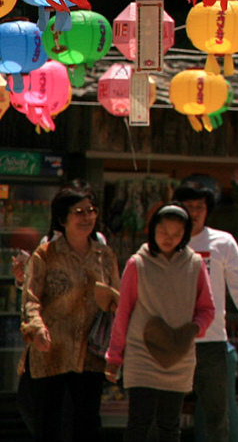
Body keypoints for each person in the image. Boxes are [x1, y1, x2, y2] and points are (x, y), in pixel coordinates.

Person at [19, 182, 120, 442]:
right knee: (48, 423)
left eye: (91, 210)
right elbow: (30, 298)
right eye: (79, 211)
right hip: (51, 348)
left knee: (87, 425)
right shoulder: (45, 254)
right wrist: (37, 328)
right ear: (63, 218)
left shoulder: (105, 255)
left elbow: (118, 299)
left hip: (91, 351)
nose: (87, 217)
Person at [107, 205, 216, 442]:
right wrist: (114, 357)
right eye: (164, 231)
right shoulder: (137, 264)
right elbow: (123, 312)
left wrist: (192, 329)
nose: (170, 238)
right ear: (153, 229)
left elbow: (207, 309)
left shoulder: (195, 264)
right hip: (141, 353)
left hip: (179, 356)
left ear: (185, 235)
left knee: (169, 426)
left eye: (177, 233)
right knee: (139, 423)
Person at [173, 180, 238, 442]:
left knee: (217, 416)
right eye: (188, 207)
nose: (194, 212)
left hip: (212, 342)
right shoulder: (167, 240)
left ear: (208, 210)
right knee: (166, 414)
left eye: (199, 207)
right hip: (173, 339)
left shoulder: (223, 242)